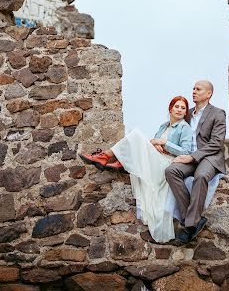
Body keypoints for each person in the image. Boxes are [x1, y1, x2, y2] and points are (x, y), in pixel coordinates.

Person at [78, 96, 192, 242]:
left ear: (185, 112)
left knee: (136, 135)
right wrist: (155, 143)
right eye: (177, 106)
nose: (179, 110)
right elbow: (153, 143)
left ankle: (108, 157)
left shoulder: (185, 127)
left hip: (168, 163)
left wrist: (164, 143)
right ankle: (116, 160)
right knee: (136, 136)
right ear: (170, 108)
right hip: (157, 159)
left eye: (183, 108)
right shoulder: (164, 126)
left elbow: (186, 152)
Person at [165, 80, 226, 244]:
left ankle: (188, 227)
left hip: (209, 157)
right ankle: (192, 219)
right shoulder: (188, 113)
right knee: (171, 171)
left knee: (200, 176)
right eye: (193, 88)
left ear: (208, 94)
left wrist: (193, 157)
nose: (193, 91)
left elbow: (216, 143)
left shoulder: (218, 113)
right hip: (188, 157)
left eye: (198, 89)